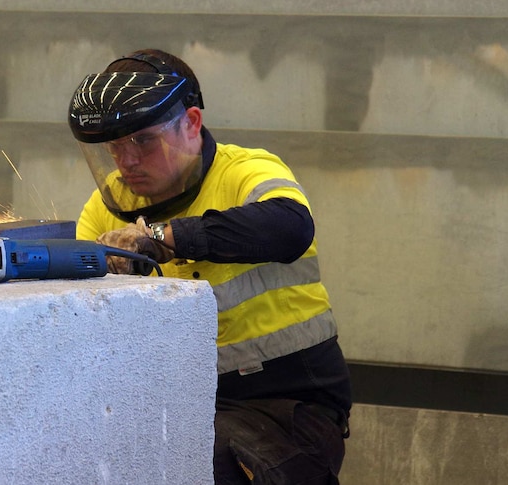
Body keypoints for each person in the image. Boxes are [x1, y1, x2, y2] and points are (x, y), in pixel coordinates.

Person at [67, 48, 352, 484]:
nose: (126, 162)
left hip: (287, 400)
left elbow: (291, 227)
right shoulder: (106, 208)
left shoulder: (246, 171)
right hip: (179, 402)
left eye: (143, 141)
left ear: (192, 124)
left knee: (211, 463)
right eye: (114, 147)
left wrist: (165, 238)